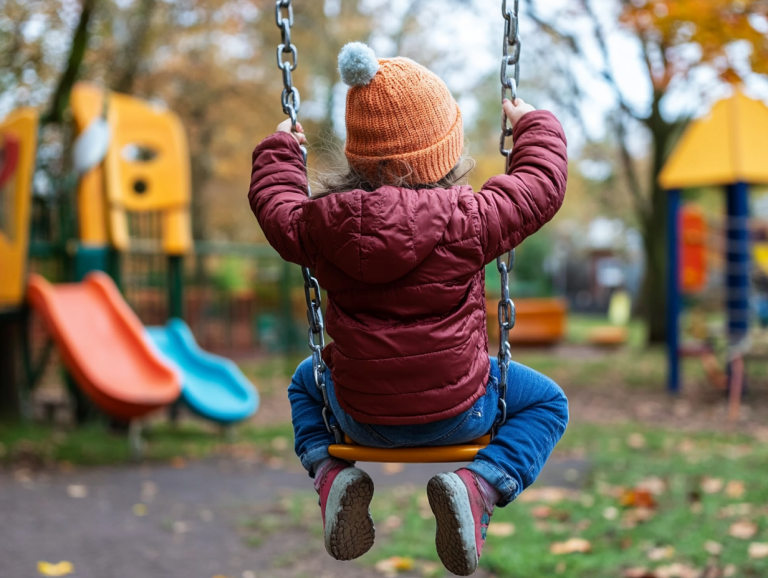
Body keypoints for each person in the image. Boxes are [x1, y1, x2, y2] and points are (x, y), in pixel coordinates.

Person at [248, 42, 569, 576]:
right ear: (443, 152)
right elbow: (540, 187)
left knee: (307, 379)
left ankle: (331, 474)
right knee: (550, 403)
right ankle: (481, 484)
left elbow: (274, 205)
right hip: (462, 415)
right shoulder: (471, 219)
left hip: (356, 419)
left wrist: (277, 153)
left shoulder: (320, 225)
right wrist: (534, 125)